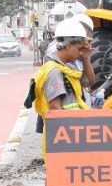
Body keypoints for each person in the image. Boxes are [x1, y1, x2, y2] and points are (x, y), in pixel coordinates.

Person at [32, 19, 90, 157]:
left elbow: (89, 82)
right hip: (65, 137)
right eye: (79, 49)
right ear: (69, 46)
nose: (80, 53)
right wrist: (69, 140)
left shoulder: (66, 67)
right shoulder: (54, 72)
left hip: (71, 133)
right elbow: (55, 109)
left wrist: (86, 58)